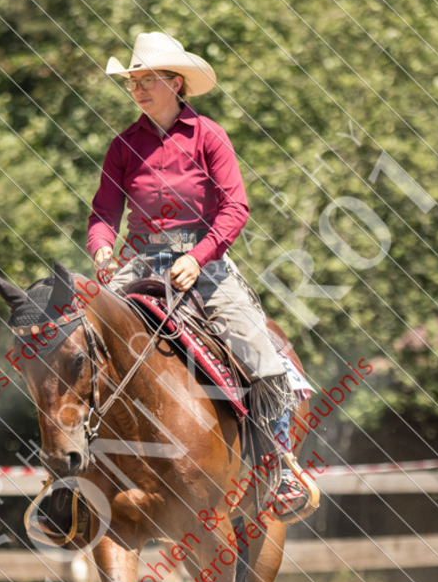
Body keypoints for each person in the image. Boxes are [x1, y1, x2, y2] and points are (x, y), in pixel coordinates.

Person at [86, 31, 309, 519]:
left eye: (147, 80)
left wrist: (200, 255)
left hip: (203, 265)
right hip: (139, 263)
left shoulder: (208, 134)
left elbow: (235, 207)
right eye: (132, 82)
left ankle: (279, 463)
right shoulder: (123, 145)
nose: (138, 89)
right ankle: (78, 475)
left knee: (259, 354)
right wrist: (102, 249)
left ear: (176, 83)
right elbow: (104, 212)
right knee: (80, 342)